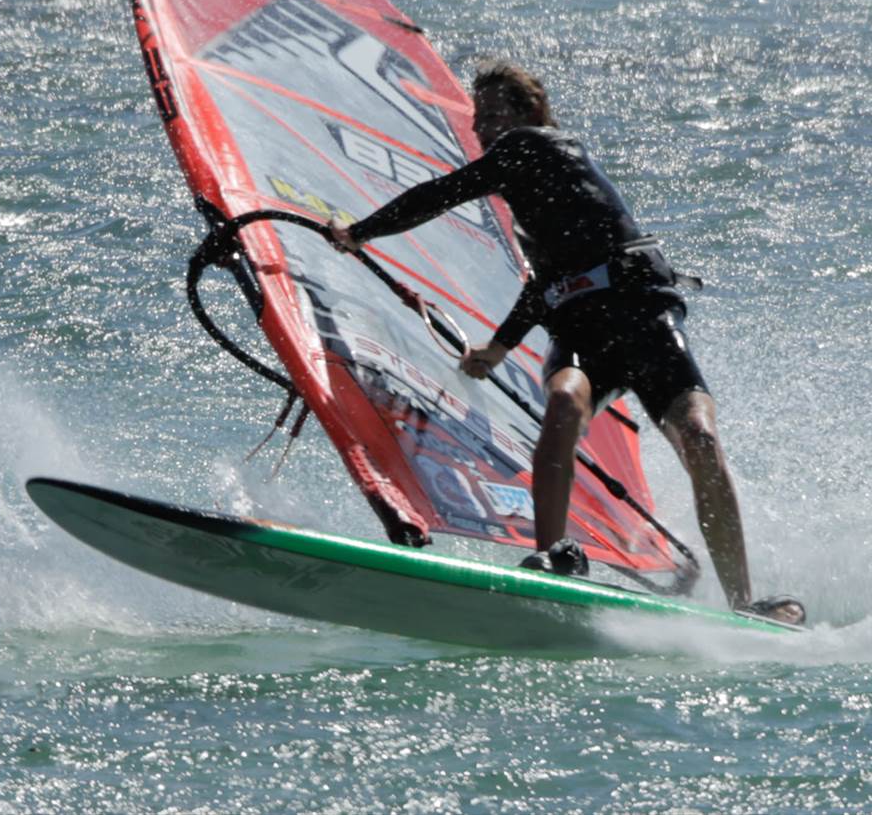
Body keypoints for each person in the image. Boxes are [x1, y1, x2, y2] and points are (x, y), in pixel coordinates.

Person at [328, 60, 803, 625]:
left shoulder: (536, 144)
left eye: (492, 114)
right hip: (581, 331)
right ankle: (551, 557)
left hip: (643, 316)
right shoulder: (530, 207)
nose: (481, 129)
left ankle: (742, 602)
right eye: (477, 119)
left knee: (698, 436)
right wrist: (498, 349)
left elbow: (443, 192)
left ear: (530, 111)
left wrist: (358, 232)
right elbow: (545, 285)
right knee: (562, 403)